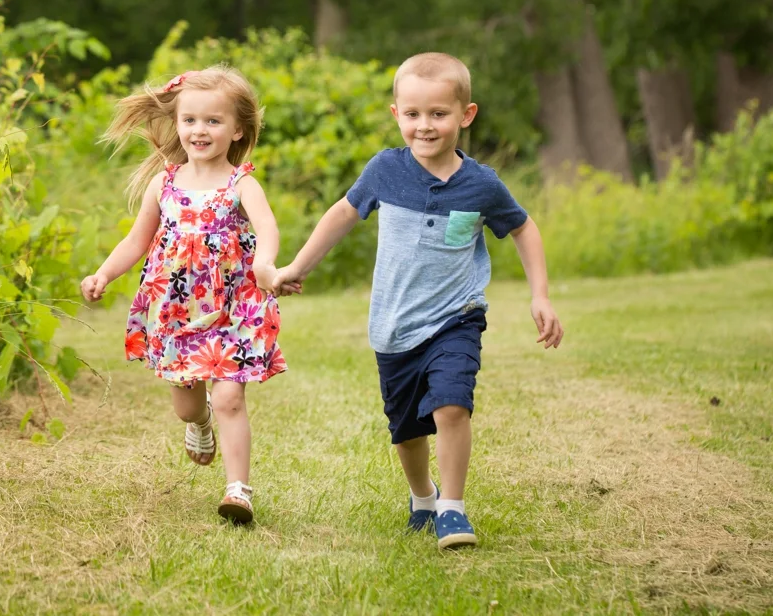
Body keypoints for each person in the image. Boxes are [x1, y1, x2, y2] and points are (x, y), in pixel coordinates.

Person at [275, 52, 563, 549]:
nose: (424, 126)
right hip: (393, 327)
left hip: (456, 317)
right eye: (412, 114)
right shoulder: (385, 170)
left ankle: (453, 508)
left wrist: (541, 294)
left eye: (438, 114)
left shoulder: (481, 184)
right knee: (407, 430)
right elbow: (342, 215)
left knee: (452, 405)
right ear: (396, 115)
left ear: (465, 115)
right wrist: (297, 267)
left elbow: (522, 227)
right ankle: (423, 496)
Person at [81, 66, 288, 524]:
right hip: (176, 310)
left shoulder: (242, 184)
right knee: (187, 404)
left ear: (237, 130)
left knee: (231, 397)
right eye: (190, 120)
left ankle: (239, 491)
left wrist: (265, 265)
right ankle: (199, 423)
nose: (200, 130)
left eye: (213, 121)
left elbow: (268, 229)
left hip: (233, 306)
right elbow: (136, 241)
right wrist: (103, 274)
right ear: (177, 124)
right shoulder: (165, 183)